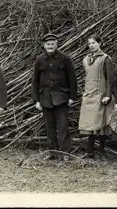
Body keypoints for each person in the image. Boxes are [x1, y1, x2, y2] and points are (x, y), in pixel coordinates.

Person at [31, 33, 77, 161]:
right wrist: (36, 100)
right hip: (45, 99)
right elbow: (35, 81)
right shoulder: (40, 59)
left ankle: (65, 153)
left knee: (63, 127)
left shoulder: (64, 59)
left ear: (56, 45)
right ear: (44, 45)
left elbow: (72, 79)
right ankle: (53, 152)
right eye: (48, 44)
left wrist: (72, 97)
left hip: (61, 98)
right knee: (49, 128)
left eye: (52, 44)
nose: (50, 46)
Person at [78, 35, 115, 158]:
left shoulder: (105, 59)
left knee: (101, 123)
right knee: (90, 124)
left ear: (100, 43)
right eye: (89, 43)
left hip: (101, 95)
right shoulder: (86, 59)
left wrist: (108, 95)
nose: (91, 45)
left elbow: (110, 79)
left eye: (94, 43)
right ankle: (90, 151)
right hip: (89, 95)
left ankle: (102, 150)